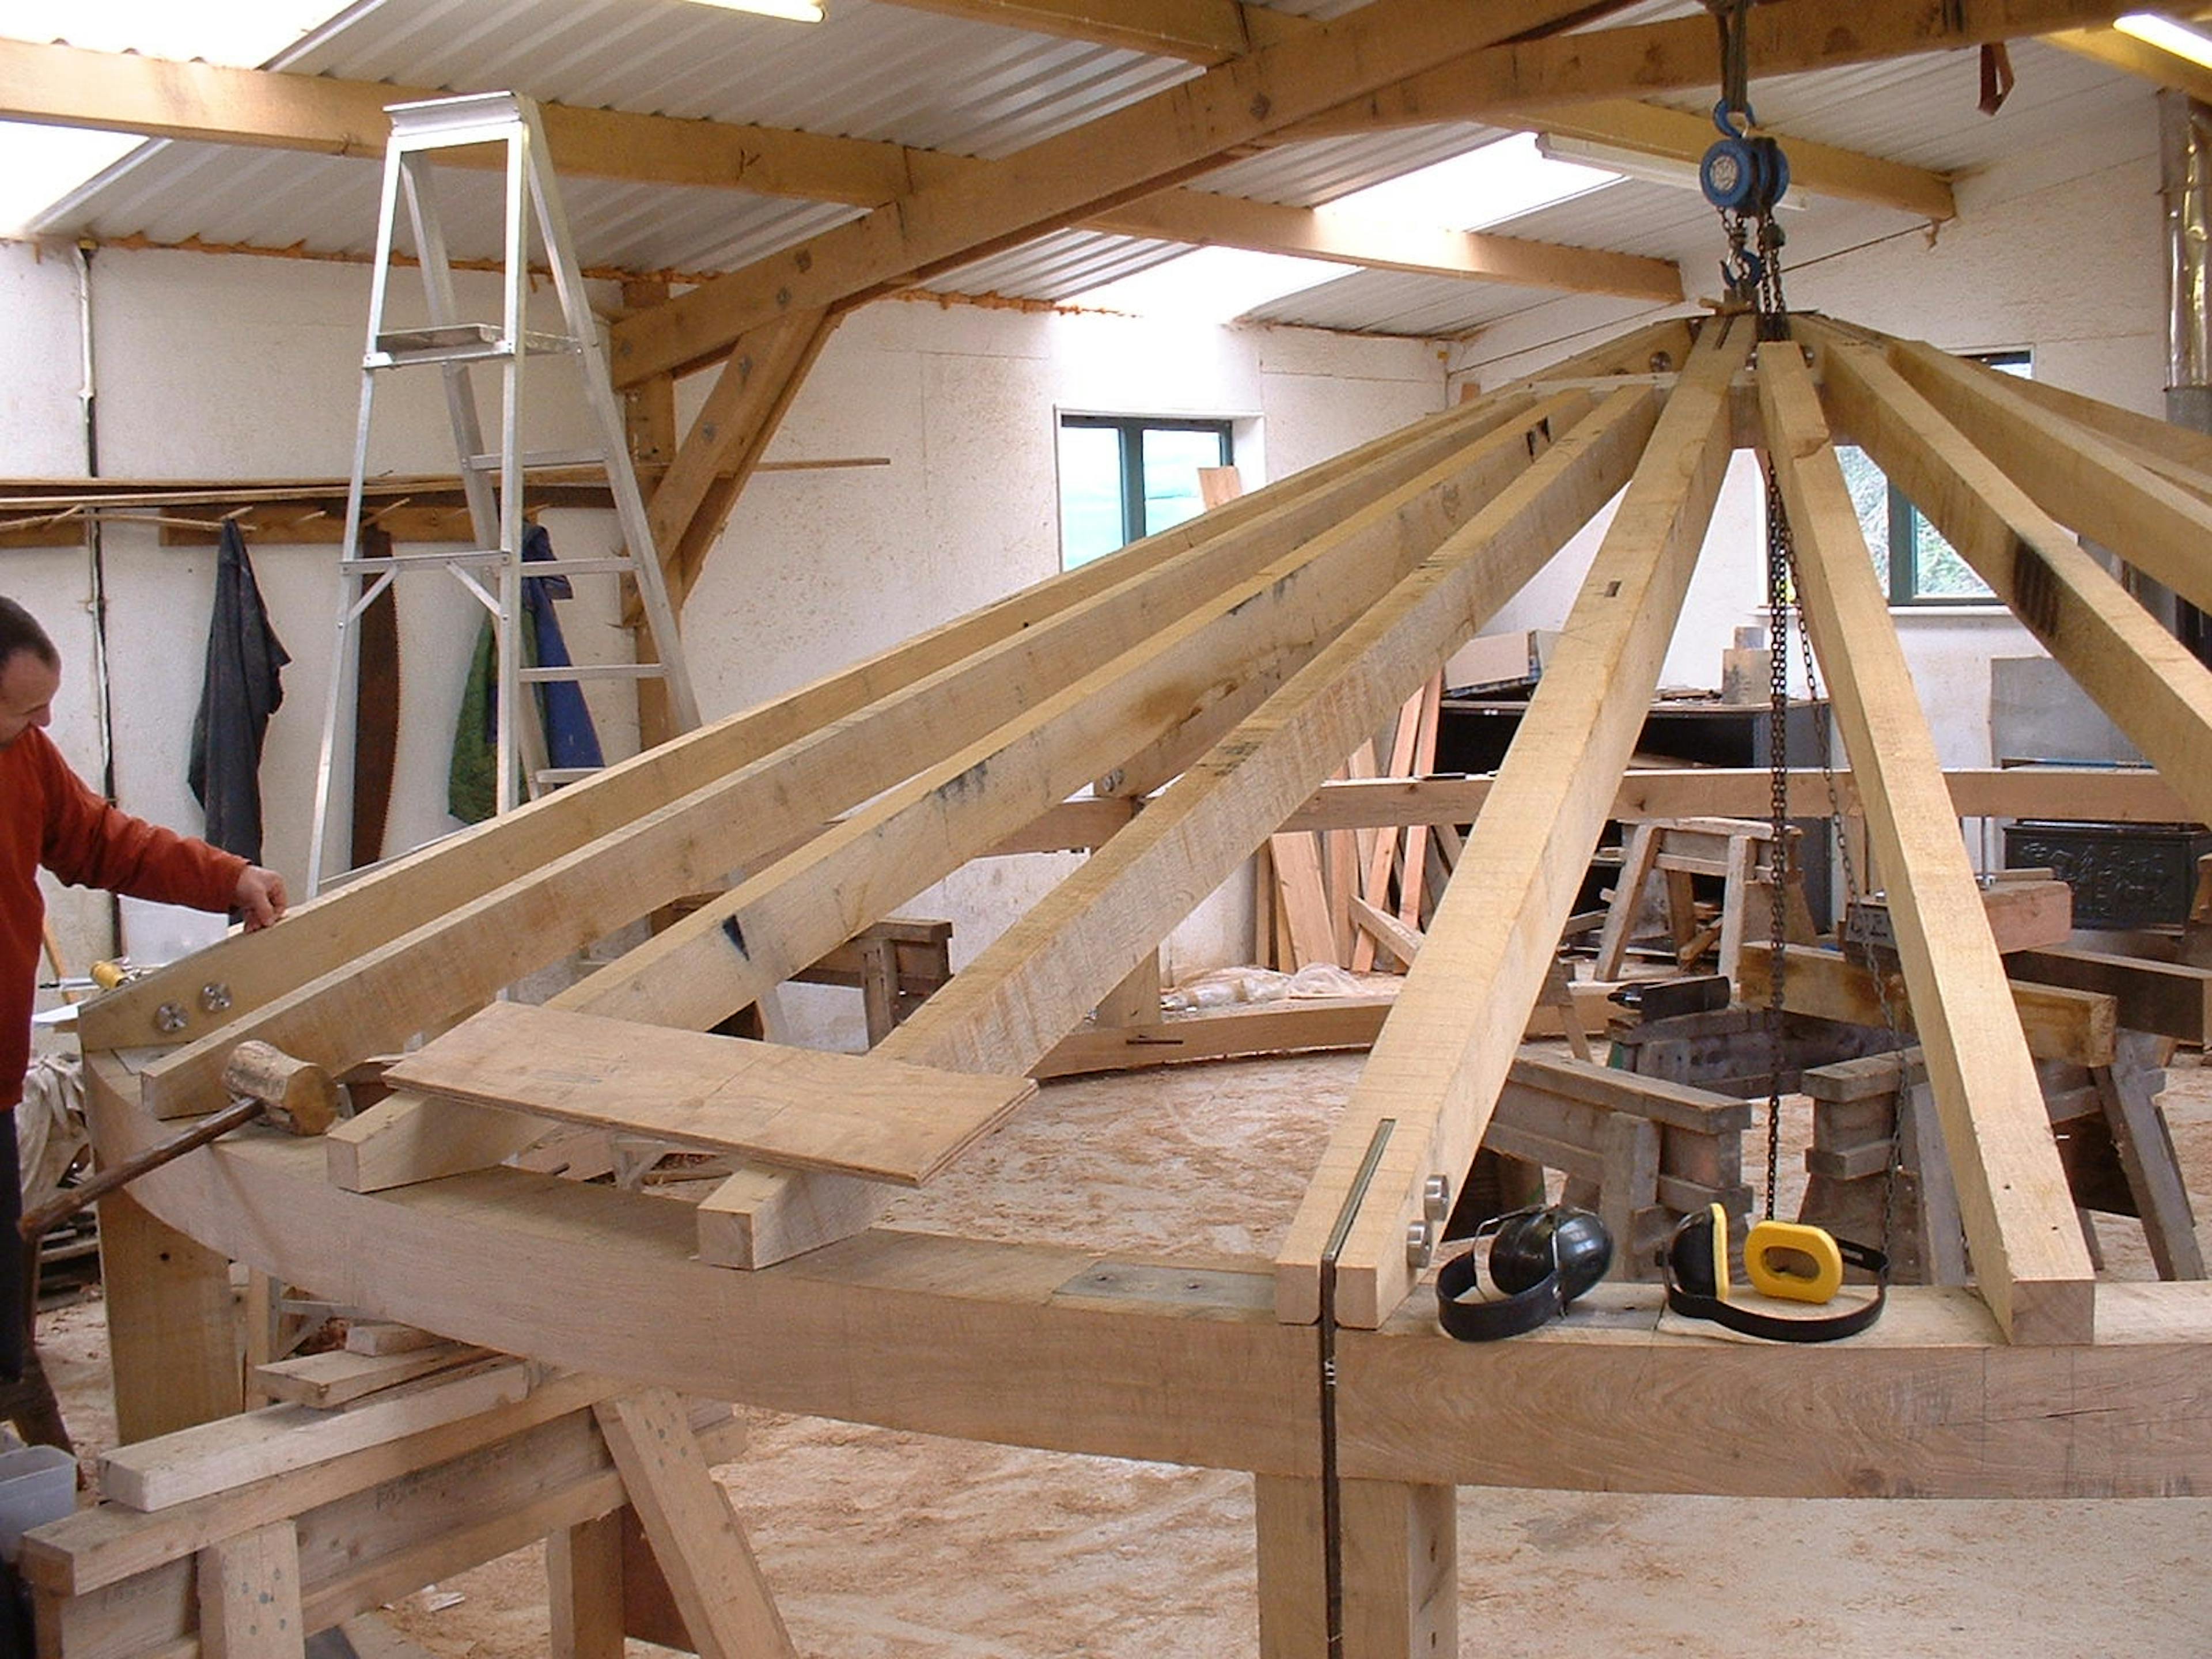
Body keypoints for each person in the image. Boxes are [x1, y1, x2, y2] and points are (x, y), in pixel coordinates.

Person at [1, 596, 287, 1378]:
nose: (44, 723)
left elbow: (101, 841)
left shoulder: (23, 753)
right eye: (24, 709)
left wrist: (228, 878)